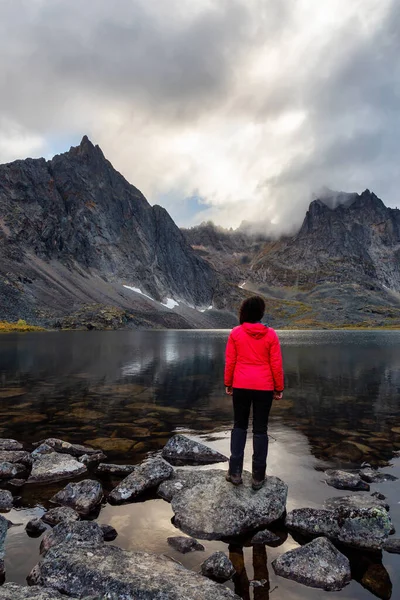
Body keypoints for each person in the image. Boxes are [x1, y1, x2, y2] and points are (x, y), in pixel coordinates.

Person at [224, 295, 284, 490]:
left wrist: (228, 382)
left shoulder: (235, 333)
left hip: (241, 385)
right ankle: (258, 477)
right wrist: (278, 387)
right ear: (260, 313)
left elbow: (230, 361)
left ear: (244, 312)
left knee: (239, 426)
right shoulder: (271, 334)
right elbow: (276, 364)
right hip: (264, 388)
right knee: (260, 430)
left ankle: (235, 473)